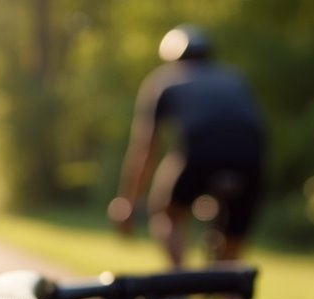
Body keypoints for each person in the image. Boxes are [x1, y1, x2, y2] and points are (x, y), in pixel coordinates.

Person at [109, 24, 265, 269]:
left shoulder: (164, 81)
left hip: (200, 153)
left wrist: (128, 202)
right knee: (230, 261)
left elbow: (145, 149)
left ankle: (181, 281)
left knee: (165, 213)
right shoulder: (234, 78)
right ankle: (232, 297)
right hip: (251, 158)